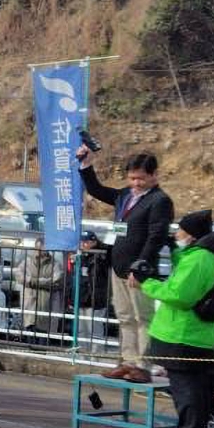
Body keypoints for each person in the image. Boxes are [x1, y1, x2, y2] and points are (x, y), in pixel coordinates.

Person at [77, 146, 174, 377]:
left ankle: (144, 363)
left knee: (144, 317)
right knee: (125, 316)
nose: (136, 183)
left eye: (141, 178)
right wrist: (86, 164)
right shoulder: (125, 196)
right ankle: (129, 361)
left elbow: (156, 236)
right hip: (118, 266)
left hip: (139, 270)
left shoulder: (160, 201)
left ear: (154, 175)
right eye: (132, 178)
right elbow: (96, 189)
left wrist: (140, 266)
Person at [139, 210, 214, 428]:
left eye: (180, 230)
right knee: (197, 387)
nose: (176, 234)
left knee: (186, 389)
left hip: (182, 333)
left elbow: (179, 295)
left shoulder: (198, 259)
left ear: (191, 236)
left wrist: (146, 283)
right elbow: (187, 277)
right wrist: (174, 248)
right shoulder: (204, 256)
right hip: (195, 334)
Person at [19, 245, 66, 340]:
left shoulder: (55, 264)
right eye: (38, 248)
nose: (41, 251)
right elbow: (20, 277)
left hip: (47, 304)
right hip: (30, 302)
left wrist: (33, 281)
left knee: (44, 335)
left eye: (43, 249)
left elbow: (57, 279)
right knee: (30, 331)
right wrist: (45, 281)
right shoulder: (27, 262)